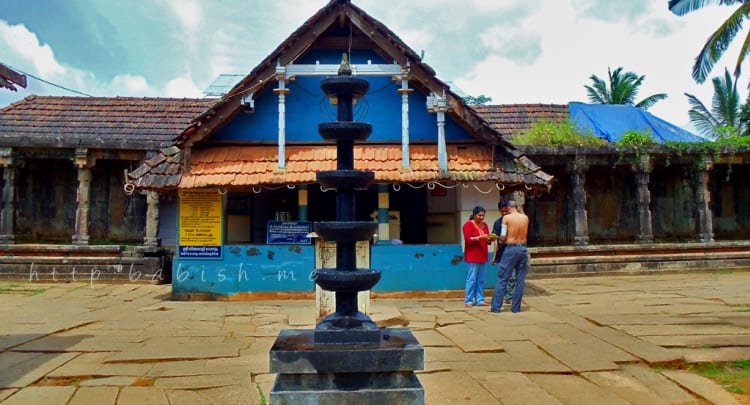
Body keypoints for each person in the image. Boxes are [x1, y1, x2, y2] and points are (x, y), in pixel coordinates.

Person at [489, 200, 529, 313]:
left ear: (509, 207)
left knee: (502, 278)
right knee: (520, 280)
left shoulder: (507, 218)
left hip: (511, 248)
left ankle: (496, 307)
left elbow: (502, 236)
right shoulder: (525, 217)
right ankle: (516, 308)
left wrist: (503, 241)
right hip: (523, 248)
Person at [462, 206, 492, 308]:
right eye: (479, 215)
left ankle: (480, 300)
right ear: (474, 215)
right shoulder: (468, 225)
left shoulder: (485, 225)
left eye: (483, 215)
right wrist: (479, 237)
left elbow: (487, 239)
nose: (481, 217)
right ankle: (468, 300)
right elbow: (468, 239)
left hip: (483, 255)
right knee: (471, 279)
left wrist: (489, 239)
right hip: (472, 255)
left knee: (481, 279)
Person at [491, 199, 514, 304]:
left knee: (512, 276)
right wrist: (494, 256)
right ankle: (503, 296)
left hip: (513, 251)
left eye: (506, 211)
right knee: (502, 276)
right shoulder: (497, 223)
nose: (504, 213)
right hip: (501, 253)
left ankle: (510, 297)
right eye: (502, 211)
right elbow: (495, 240)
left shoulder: (514, 222)